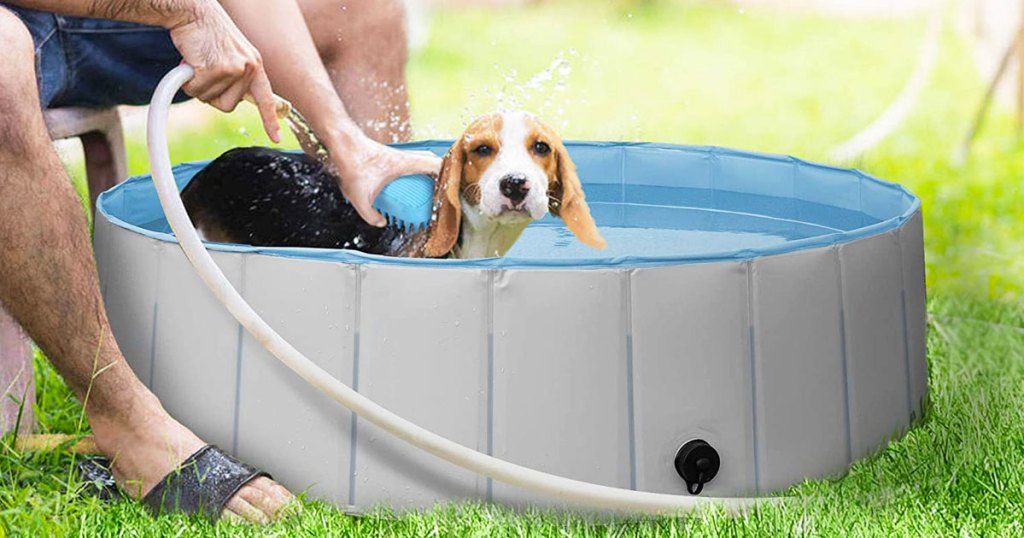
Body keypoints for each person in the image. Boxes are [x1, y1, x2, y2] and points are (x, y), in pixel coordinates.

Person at [0, 0, 441, 523]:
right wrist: (186, 11)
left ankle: (386, 337)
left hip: (94, 20)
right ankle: (126, 418)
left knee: (361, 12)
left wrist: (346, 142)